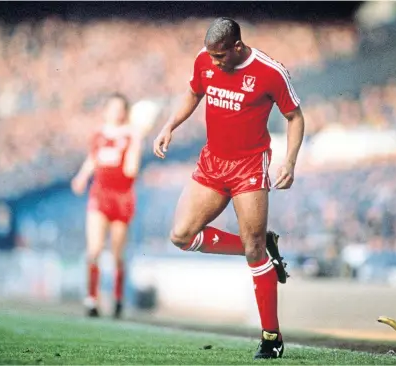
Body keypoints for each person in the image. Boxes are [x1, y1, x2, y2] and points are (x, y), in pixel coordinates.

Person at [153, 17, 305, 359]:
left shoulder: (270, 72)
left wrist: (290, 161)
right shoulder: (205, 59)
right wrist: (169, 126)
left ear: (237, 46)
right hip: (212, 163)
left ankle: (272, 338)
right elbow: (193, 93)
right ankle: (260, 248)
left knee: (253, 252)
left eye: (221, 56)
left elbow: (295, 117)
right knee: (181, 236)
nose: (215, 62)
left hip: (250, 167)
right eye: (211, 56)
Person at [71, 93, 142, 319]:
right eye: (112, 108)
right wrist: (82, 177)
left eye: (120, 108)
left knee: (117, 253)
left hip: (122, 197)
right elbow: (93, 158)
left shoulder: (132, 135)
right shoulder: (99, 134)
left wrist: (135, 147)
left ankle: (118, 298)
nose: (115, 112)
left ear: (125, 112)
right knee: (94, 249)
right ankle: (92, 300)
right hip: (100, 194)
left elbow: (131, 171)